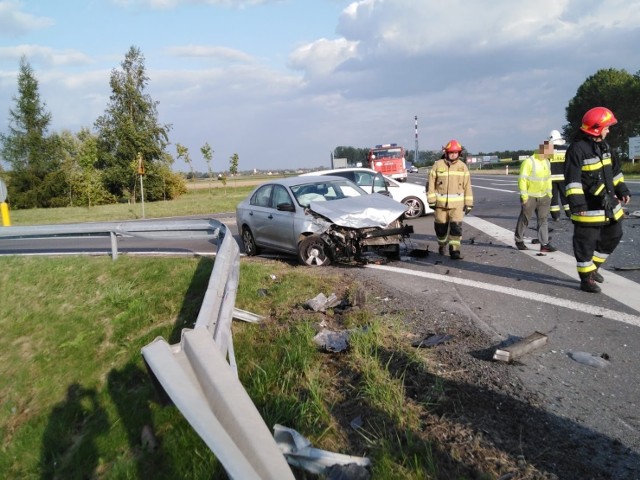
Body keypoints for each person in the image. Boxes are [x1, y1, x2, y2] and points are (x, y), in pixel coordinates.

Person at [564, 106, 631, 293]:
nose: (609, 130)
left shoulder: (606, 147)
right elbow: (572, 180)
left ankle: (593, 268)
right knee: (586, 243)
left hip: (609, 204)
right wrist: (577, 205)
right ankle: (586, 279)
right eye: (607, 127)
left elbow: (615, 172)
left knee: (614, 235)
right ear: (596, 128)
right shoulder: (577, 150)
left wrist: (622, 189)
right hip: (588, 208)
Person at [427, 139, 473, 259]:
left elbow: (467, 186)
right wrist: (431, 200)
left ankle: (455, 251)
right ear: (446, 153)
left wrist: (469, 203)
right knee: (440, 229)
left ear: (459, 153)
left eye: (456, 152)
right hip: (440, 205)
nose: (453, 155)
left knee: (456, 229)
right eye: (451, 152)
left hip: (457, 206)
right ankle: (442, 244)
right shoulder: (438, 165)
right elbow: (431, 184)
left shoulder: (463, 167)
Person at [514, 140, 556, 252]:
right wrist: (524, 196)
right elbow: (522, 180)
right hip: (530, 196)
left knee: (543, 220)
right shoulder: (529, 162)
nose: (551, 154)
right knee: (525, 219)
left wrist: (549, 194)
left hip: (544, 196)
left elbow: (548, 180)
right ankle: (519, 240)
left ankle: (544, 244)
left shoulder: (547, 162)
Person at [548, 129, 570, 220]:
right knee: (565, 196)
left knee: (553, 198)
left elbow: (539, 163)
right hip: (563, 178)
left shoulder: (545, 149)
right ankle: (569, 214)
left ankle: (555, 216)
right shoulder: (566, 149)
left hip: (550, 179)